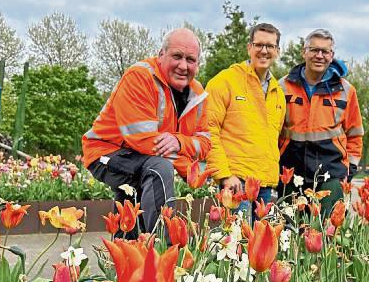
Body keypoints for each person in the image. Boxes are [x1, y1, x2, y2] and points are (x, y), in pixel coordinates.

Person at [82, 28, 211, 236]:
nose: (183, 66)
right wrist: (190, 170)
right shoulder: (140, 76)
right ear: (161, 55)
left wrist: (179, 142)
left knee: (138, 189)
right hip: (106, 152)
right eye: (177, 56)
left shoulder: (197, 95)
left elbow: (204, 143)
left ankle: (130, 251)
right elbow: (143, 140)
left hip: (144, 157)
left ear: (198, 63)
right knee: (159, 169)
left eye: (191, 59)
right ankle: (163, 245)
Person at [278, 29, 363, 216]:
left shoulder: (346, 90)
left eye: (325, 52)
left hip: (331, 172)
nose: (319, 56)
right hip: (290, 173)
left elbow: (355, 133)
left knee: (328, 234)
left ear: (332, 56)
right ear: (304, 52)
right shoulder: (282, 87)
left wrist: (351, 168)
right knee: (288, 233)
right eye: (314, 50)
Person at [206, 23, 286, 220]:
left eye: (270, 46)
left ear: (277, 51)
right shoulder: (225, 81)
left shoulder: (278, 94)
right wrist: (224, 175)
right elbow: (208, 130)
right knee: (237, 244)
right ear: (249, 47)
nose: (264, 51)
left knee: (262, 247)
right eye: (258, 45)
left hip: (265, 185)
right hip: (236, 181)